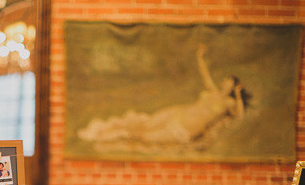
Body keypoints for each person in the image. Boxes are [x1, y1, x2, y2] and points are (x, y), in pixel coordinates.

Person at [78, 44, 251, 150]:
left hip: (186, 128)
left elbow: (240, 115)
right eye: (225, 80)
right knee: (145, 124)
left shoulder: (229, 102)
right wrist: (199, 57)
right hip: (178, 113)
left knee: (145, 137)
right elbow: (204, 73)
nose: (224, 82)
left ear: (232, 86)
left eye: (229, 82)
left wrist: (238, 94)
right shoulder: (213, 91)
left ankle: (115, 135)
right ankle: (104, 131)